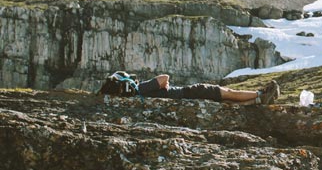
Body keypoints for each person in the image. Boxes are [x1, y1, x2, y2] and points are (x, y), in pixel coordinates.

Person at [102, 72, 280, 105]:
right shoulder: (141, 88)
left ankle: (257, 100)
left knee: (225, 99)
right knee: (227, 92)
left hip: (187, 96)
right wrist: (165, 85)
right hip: (189, 92)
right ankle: (260, 94)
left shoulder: (136, 96)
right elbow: (164, 78)